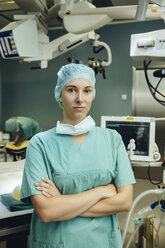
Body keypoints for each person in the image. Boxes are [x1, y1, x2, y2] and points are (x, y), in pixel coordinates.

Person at [21, 63, 136, 248]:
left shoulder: (112, 139)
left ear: (93, 95)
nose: (80, 99)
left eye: (87, 91)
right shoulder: (39, 143)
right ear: (59, 93)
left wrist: (62, 202)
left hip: (103, 242)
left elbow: (125, 201)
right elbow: (47, 211)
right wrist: (101, 191)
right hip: (57, 241)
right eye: (71, 90)